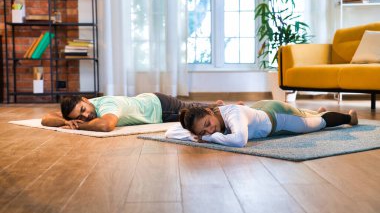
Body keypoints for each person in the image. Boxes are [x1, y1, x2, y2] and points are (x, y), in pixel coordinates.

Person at [166, 100, 358, 148]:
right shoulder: (210, 119)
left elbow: (240, 140)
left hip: (278, 116)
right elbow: (170, 133)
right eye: (203, 130)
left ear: (209, 111)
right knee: (311, 116)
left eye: (207, 123)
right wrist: (195, 135)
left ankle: (349, 118)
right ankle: (314, 111)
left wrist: (208, 138)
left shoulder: (233, 112)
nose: (209, 130)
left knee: (318, 124)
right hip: (258, 109)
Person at [41, 92, 223, 132]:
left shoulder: (106, 105)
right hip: (150, 99)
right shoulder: (85, 107)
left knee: (194, 113)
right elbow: (46, 119)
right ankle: (217, 103)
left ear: (86, 100)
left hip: (160, 109)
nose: (86, 116)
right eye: (79, 117)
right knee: (194, 106)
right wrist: (65, 122)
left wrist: (80, 125)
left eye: (84, 110)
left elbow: (106, 125)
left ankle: (225, 107)